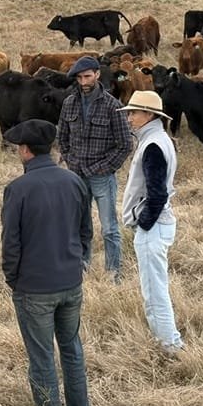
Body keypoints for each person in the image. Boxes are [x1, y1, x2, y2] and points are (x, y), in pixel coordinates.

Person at [1, 119, 92, 406]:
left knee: (41, 359)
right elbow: (86, 232)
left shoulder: (18, 189)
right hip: (70, 282)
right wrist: (78, 263)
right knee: (72, 351)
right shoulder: (74, 181)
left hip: (34, 287)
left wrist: (14, 278)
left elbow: (11, 243)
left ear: (26, 150)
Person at [117, 91, 185, 354]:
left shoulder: (152, 145)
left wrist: (144, 223)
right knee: (155, 287)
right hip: (158, 223)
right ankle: (167, 341)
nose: (130, 117)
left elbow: (157, 193)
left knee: (154, 291)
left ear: (149, 115)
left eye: (133, 112)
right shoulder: (158, 140)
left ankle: (170, 344)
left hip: (153, 225)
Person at [57, 55, 132, 280]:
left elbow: (125, 144)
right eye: (79, 78)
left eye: (87, 76)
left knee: (109, 228)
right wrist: (69, 158)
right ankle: (81, 269)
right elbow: (62, 136)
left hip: (101, 176)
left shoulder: (113, 106)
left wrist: (106, 167)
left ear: (98, 74)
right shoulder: (69, 103)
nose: (83, 82)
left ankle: (113, 273)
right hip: (76, 174)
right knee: (81, 225)